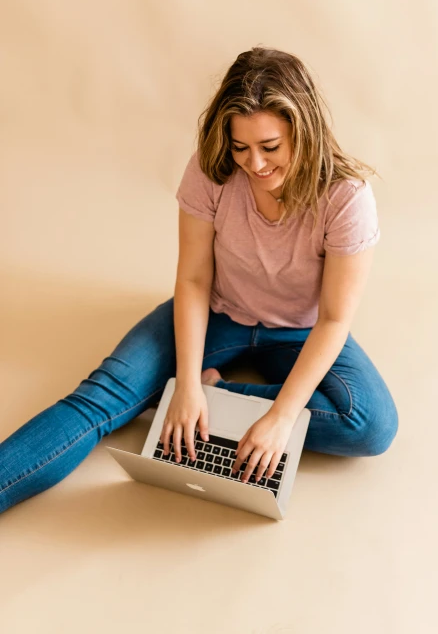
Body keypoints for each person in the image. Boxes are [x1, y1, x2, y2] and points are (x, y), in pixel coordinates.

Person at [0, 46, 398, 515]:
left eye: (271, 147)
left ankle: (217, 394)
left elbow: (334, 319)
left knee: (372, 425)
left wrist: (281, 416)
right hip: (216, 313)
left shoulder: (347, 197)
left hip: (301, 330)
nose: (255, 164)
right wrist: (186, 384)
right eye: (240, 147)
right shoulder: (211, 171)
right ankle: (181, 394)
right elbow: (191, 279)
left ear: (304, 131)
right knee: (98, 399)